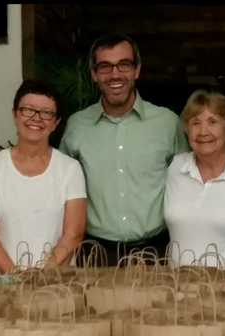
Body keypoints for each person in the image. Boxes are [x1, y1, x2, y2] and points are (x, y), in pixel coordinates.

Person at [59, 32, 189, 266]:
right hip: (94, 254)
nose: (115, 74)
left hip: (155, 253)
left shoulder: (168, 123)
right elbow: (61, 188)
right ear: (94, 74)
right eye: (105, 66)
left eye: (124, 64)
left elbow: (188, 183)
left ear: (136, 70)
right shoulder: (77, 125)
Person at [0, 80, 87, 271]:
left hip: (56, 281)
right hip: (2, 282)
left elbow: (73, 234)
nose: (36, 118)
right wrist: (14, 276)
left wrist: (43, 276)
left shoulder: (70, 169)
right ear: (15, 115)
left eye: (46, 113)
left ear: (56, 122)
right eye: (28, 110)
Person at [164, 89, 225, 267]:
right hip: (177, 286)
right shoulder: (177, 167)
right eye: (195, 123)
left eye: (212, 122)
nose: (203, 132)